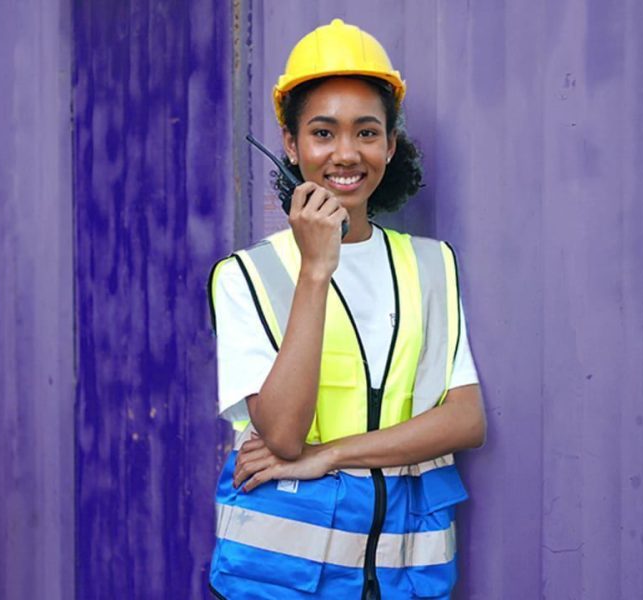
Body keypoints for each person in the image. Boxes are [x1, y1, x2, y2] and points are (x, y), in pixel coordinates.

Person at [207, 18, 486, 600]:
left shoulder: (433, 265)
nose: (345, 153)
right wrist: (315, 270)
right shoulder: (246, 277)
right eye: (322, 132)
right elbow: (282, 434)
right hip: (283, 581)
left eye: (366, 132)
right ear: (291, 144)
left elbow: (465, 420)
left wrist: (327, 455)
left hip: (407, 577)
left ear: (389, 143)